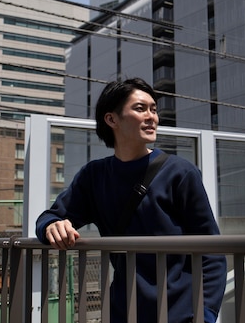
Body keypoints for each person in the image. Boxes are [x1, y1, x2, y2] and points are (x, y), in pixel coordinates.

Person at [36, 77, 227, 323]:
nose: (152, 117)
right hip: (123, 312)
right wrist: (52, 226)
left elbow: (212, 250)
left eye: (154, 109)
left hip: (182, 314)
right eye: (140, 108)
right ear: (111, 119)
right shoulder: (94, 176)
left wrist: (207, 314)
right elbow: (48, 218)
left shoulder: (180, 172)